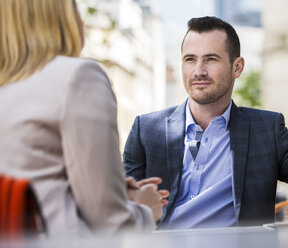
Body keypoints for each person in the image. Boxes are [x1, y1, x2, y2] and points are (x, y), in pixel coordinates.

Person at [123, 16, 288, 229]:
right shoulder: (147, 130)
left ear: (237, 67)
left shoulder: (265, 130)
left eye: (211, 59)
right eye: (190, 59)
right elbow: (119, 207)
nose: (199, 71)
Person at [0, 0, 168, 236]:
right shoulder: (77, 77)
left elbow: (35, 181)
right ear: (64, 14)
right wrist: (146, 208)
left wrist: (115, 191)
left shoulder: (8, 86)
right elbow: (110, 224)